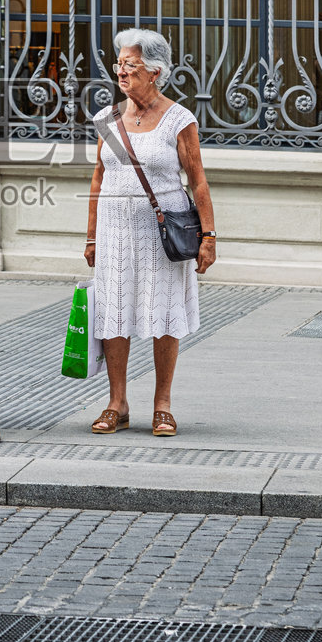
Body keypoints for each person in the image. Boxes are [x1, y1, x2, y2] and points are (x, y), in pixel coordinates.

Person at [83, 28, 216, 437]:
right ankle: (117, 403)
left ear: (155, 72)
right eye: (119, 64)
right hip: (115, 232)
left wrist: (208, 237)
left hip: (163, 235)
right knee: (114, 313)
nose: (121, 72)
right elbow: (99, 178)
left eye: (130, 65)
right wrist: (91, 236)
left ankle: (162, 405)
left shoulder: (179, 119)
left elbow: (197, 180)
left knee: (164, 314)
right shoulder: (107, 119)